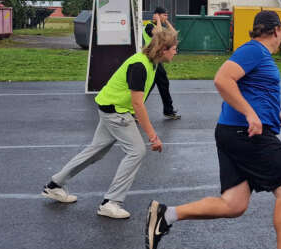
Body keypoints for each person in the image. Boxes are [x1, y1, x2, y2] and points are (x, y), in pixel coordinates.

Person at [144, 10, 281, 249]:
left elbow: (249, 90)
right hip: (248, 134)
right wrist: (252, 115)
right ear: (277, 30)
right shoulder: (255, 51)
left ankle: (167, 215)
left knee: (233, 204)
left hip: (234, 131)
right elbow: (222, 79)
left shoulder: (256, 54)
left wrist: (273, 115)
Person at [41, 28, 179, 219]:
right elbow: (137, 103)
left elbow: (136, 101)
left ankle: (54, 186)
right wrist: (153, 137)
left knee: (95, 151)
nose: (176, 52)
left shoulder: (151, 63)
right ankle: (111, 203)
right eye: (173, 48)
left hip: (111, 108)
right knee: (137, 151)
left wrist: (135, 117)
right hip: (115, 112)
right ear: (163, 49)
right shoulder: (140, 65)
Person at [144, 7, 180, 120]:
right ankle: (133, 110)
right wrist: (159, 20)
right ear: (157, 15)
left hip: (157, 59)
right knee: (154, 85)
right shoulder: (149, 26)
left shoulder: (161, 26)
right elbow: (158, 34)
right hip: (151, 58)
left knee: (160, 84)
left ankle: (168, 110)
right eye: (164, 15)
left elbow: (174, 33)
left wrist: (166, 21)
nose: (166, 17)